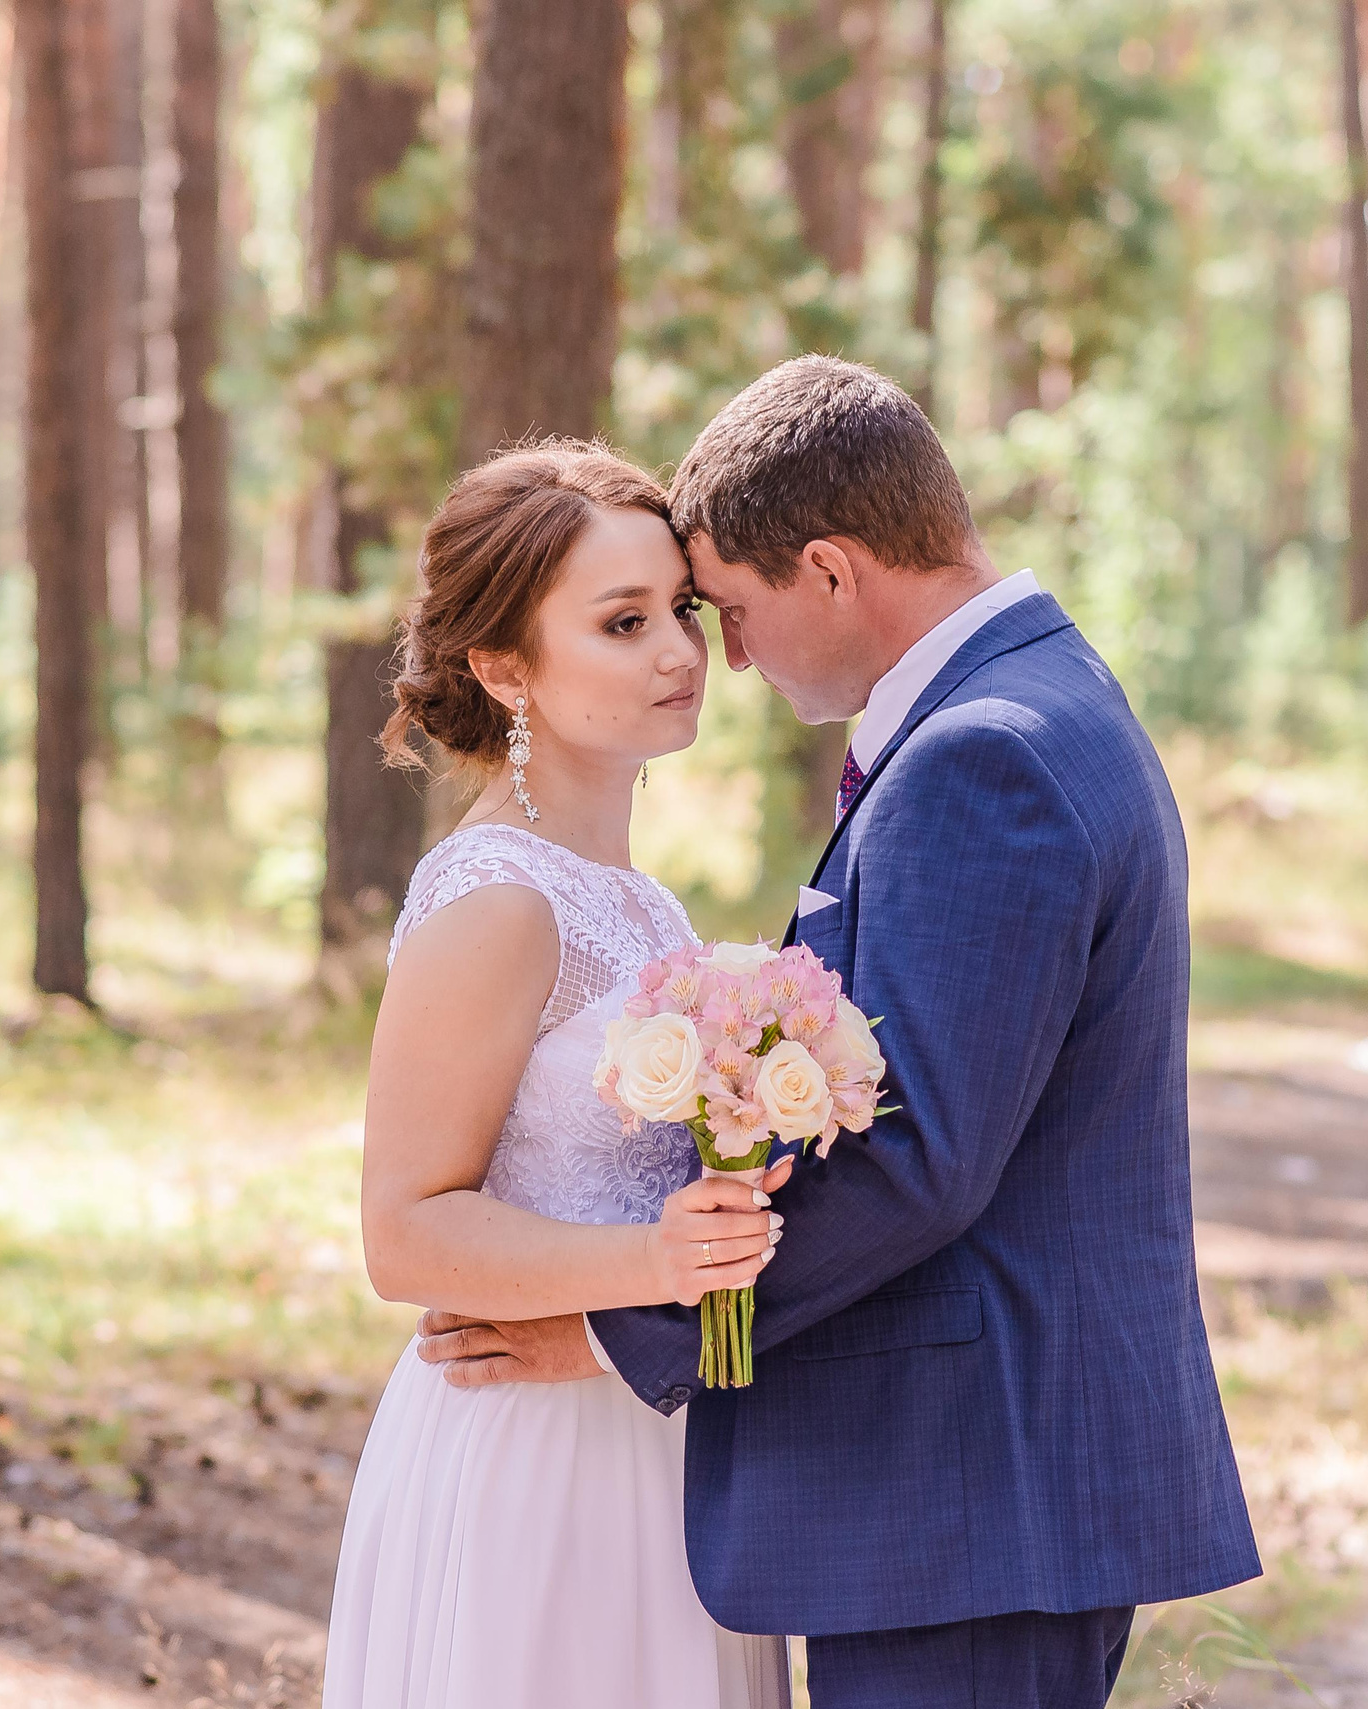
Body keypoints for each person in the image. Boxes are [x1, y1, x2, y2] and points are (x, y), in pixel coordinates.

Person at [415, 357, 1260, 1709]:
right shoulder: (1039, 701)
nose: (721, 657)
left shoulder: (983, 758)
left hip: (972, 1489)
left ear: (827, 569)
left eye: (727, 612)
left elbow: (918, 1153)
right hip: (974, 1492)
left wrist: (627, 1334)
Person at [320, 441, 793, 1709]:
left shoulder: (646, 902)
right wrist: (652, 1270)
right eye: (623, 622)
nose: (678, 652)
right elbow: (405, 1230)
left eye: (680, 611)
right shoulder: (498, 900)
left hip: (659, 1431)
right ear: (502, 664)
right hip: (533, 1452)